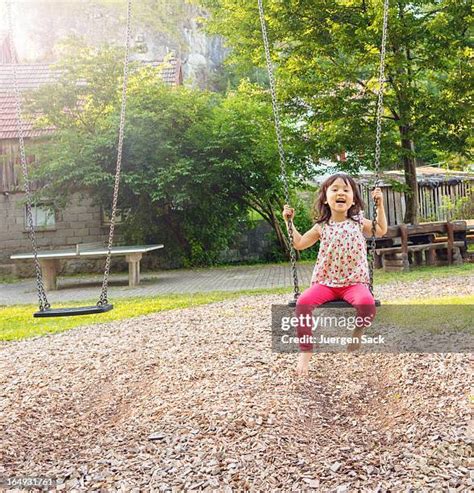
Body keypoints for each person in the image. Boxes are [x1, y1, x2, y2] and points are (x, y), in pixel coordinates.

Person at [282, 173, 388, 376]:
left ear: (353, 199)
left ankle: (357, 333)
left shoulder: (358, 221)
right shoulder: (321, 226)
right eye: (335, 189)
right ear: (325, 198)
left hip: (354, 282)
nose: (341, 193)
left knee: (367, 305)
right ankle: (306, 350)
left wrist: (379, 205)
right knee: (302, 303)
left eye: (346, 190)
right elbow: (299, 244)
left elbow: (381, 230)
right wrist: (289, 222)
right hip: (325, 283)